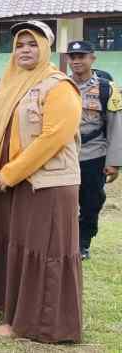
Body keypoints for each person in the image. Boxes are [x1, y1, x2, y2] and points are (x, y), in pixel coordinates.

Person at [0, 20, 82, 342]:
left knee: (43, 250)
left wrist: (8, 173)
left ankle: (38, 324)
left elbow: (53, 138)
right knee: (15, 245)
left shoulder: (59, 86)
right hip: (9, 183)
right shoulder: (9, 85)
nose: (24, 50)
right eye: (20, 44)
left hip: (46, 184)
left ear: (46, 48)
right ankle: (10, 308)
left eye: (32, 43)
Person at [64, 40, 121, 260]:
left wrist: (113, 162)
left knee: (91, 201)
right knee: (63, 201)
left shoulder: (107, 87)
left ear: (92, 59)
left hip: (93, 154)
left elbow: (116, 124)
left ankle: (83, 242)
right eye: (73, 57)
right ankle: (65, 240)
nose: (77, 61)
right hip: (64, 154)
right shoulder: (60, 85)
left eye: (82, 56)